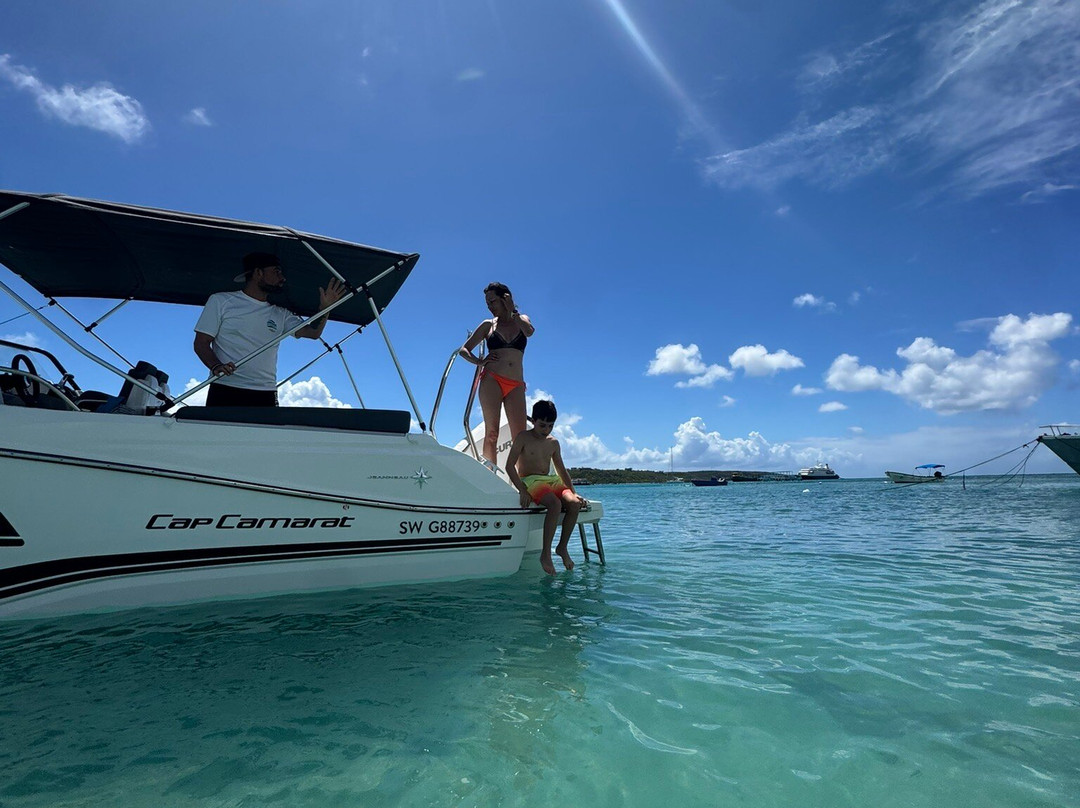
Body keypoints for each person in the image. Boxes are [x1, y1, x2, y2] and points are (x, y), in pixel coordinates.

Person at [193, 251, 346, 407]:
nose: (282, 278)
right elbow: (201, 343)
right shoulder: (221, 301)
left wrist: (325, 309)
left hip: (265, 392)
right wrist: (217, 366)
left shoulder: (281, 314)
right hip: (225, 388)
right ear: (258, 273)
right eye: (276, 272)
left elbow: (313, 333)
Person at [458, 282, 535, 466]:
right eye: (487, 303)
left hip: (515, 383)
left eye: (493, 301)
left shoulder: (521, 318)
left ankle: (524, 481)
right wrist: (479, 361)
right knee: (491, 433)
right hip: (492, 379)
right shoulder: (487, 325)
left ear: (505, 298)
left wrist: (513, 311)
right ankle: (489, 476)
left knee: (520, 435)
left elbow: (529, 332)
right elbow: (464, 349)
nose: (490, 307)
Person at [505, 399, 585, 575]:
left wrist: (574, 492)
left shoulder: (553, 443)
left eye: (550, 426)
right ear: (533, 421)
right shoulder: (523, 437)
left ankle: (562, 548)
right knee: (555, 504)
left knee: (573, 503)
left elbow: (561, 470)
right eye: (542, 425)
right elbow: (509, 466)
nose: (546, 430)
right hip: (531, 481)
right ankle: (545, 554)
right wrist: (522, 490)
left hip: (551, 480)